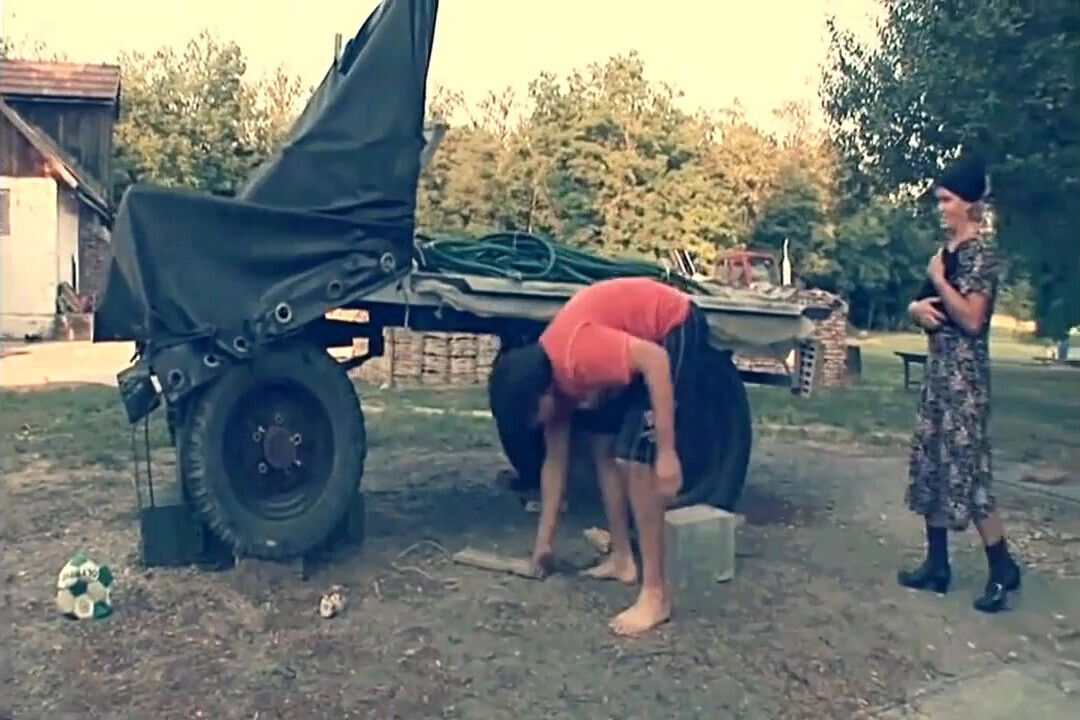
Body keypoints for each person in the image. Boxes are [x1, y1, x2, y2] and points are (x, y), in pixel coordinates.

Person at [487, 275, 709, 635]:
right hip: (638, 340)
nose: (535, 423)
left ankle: (656, 595)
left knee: (636, 459)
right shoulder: (550, 380)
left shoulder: (578, 356)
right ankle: (623, 559)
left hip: (674, 326)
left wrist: (667, 453)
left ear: (541, 393)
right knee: (601, 447)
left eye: (532, 415)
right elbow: (554, 464)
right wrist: (543, 545)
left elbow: (654, 360)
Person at [899, 150, 1022, 613]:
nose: (941, 208)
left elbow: (971, 318)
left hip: (965, 380)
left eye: (948, 199)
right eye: (938, 200)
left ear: (970, 203)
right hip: (938, 375)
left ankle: (1001, 568)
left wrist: (938, 280)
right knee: (932, 461)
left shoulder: (981, 254)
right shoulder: (944, 254)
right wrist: (916, 308)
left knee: (968, 472)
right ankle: (937, 565)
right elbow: (923, 305)